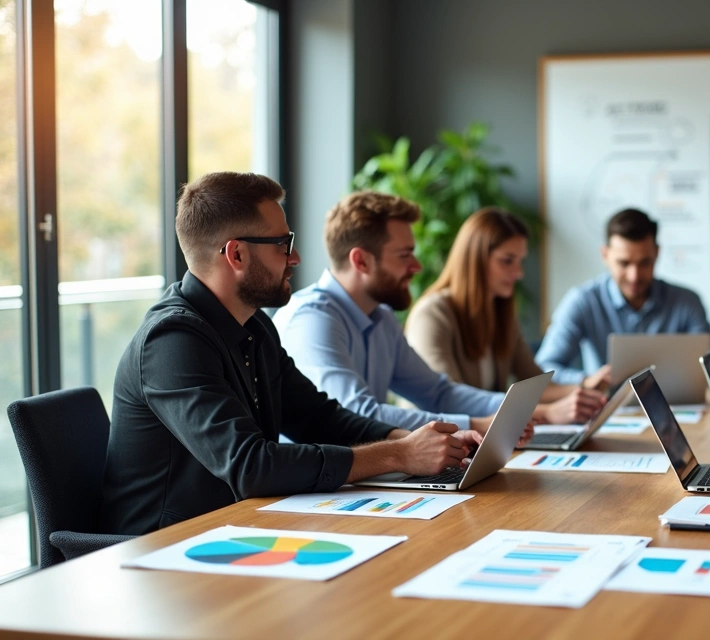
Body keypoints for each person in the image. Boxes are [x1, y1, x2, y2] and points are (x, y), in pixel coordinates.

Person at [99, 172, 477, 536]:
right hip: (166, 550)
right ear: (237, 255)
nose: (294, 258)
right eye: (283, 243)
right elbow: (251, 465)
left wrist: (416, 439)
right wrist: (398, 455)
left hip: (235, 527)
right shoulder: (172, 341)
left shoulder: (255, 326)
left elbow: (318, 418)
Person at [273, 192, 537, 441]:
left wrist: (512, 410)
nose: (417, 266)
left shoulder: (382, 318)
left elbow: (437, 393)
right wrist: (476, 425)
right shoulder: (311, 320)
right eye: (404, 255)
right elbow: (358, 415)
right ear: (361, 261)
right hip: (315, 487)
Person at [406, 207, 606, 423]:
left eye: (519, 261)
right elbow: (450, 400)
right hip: (442, 444)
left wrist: (585, 387)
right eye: (507, 261)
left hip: (486, 440)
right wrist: (545, 414)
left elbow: (535, 383)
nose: (518, 273)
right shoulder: (432, 315)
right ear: (475, 260)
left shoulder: (501, 313)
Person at [535, 208, 710, 387]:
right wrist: (585, 381)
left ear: (657, 253)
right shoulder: (582, 301)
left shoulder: (687, 302)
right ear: (605, 255)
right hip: (603, 408)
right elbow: (543, 369)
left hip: (674, 408)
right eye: (624, 263)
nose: (634, 276)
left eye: (645, 263)